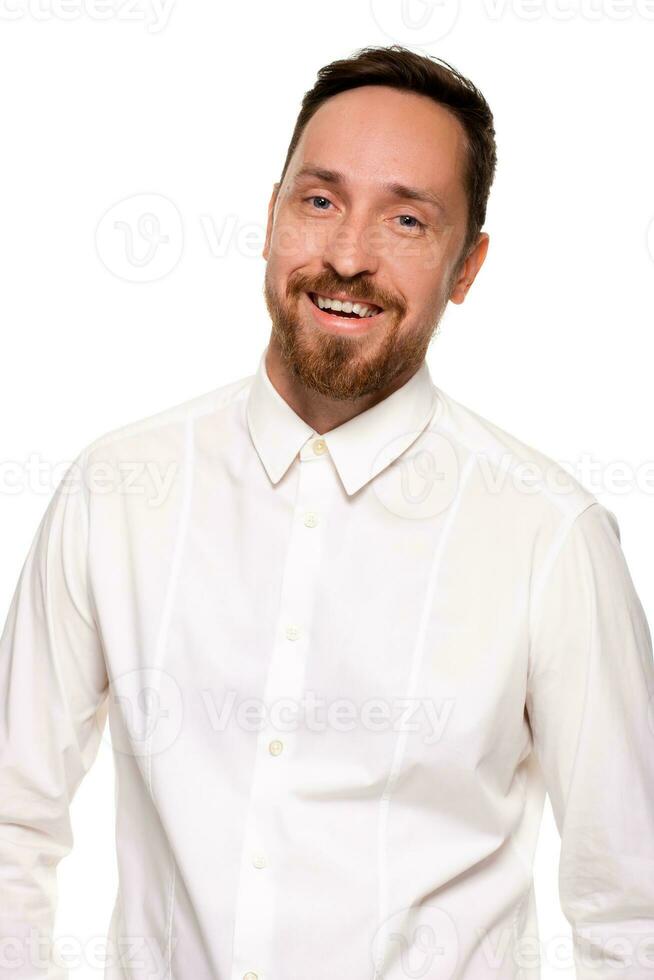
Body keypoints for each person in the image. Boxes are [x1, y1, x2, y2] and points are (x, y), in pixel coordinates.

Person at [1, 44, 653, 980]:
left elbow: (630, 906)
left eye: (407, 219)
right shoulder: (116, 491)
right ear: (270, 217)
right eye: (320, 201)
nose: (348, 256)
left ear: (467, 268)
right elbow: (11, 818)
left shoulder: (551, 537)